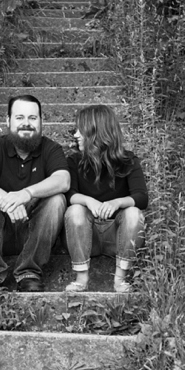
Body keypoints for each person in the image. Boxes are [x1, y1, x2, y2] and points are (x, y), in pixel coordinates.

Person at [0, 94, 70, 292]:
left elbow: (63, 180)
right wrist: (7, 199)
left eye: (32, 118)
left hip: (33, 234)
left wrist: (26, 193)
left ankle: (29, 271)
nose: (26, 124)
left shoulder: (51, 149)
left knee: (57, 199)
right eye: (20, 118)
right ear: (8, 120)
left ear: (41, 121)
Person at [63, 105, 148, 293]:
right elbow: (68, 195)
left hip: (117, 237)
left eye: (81, 130)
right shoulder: (74, 161)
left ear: (96, 132)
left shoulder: (129, 161)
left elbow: (141, 197)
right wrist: (88, 200)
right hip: (86, 236)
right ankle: (81, 278)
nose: (76, 135)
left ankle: (120, 280)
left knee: (133, 212)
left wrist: (117, 202)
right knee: (75, 209)